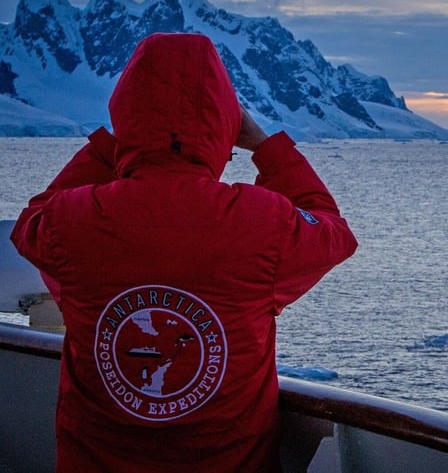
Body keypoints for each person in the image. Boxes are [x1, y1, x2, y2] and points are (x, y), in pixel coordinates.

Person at [10, 32, 358, 472]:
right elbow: (333, 231)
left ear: (124, 114)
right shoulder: (262, 222)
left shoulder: (71, 220)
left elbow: (31, 221)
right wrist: (265, 146)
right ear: (225, 125)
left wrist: (115, 146)